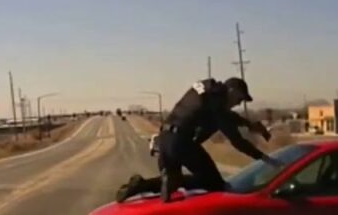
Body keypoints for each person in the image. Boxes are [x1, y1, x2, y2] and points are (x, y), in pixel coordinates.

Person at [116, 77, 280, 202]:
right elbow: (237, 141)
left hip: (165, 139)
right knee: (214, 182)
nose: (238, 104)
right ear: (231, 91)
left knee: (172, 184)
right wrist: (267, 159)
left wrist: (249, 124)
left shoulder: (209, 92)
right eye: (239, 99)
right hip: (180, 142)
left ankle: (139, 186)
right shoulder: (216, 102)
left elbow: (225, 116)